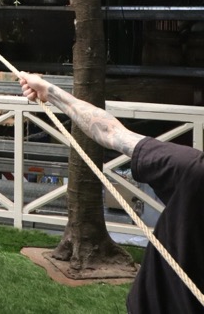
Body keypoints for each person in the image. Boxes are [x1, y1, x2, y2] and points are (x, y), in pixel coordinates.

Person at [19, 72, 204, 314]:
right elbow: (108, 132)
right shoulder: (192, 170)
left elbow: (110, 132)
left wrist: (48, 90)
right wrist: (48, 91)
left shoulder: (193, 170)